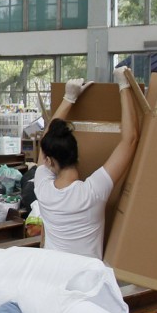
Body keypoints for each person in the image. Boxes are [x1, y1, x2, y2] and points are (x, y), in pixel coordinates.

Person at [35, 69, 138, 260]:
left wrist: (69, 97)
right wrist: (125, 86)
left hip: (50, 275)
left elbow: (45, 140)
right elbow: (130, 140)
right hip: (87, 280)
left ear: (49, 161)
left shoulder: (42, 188)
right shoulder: (92, 193)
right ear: (77, 154)